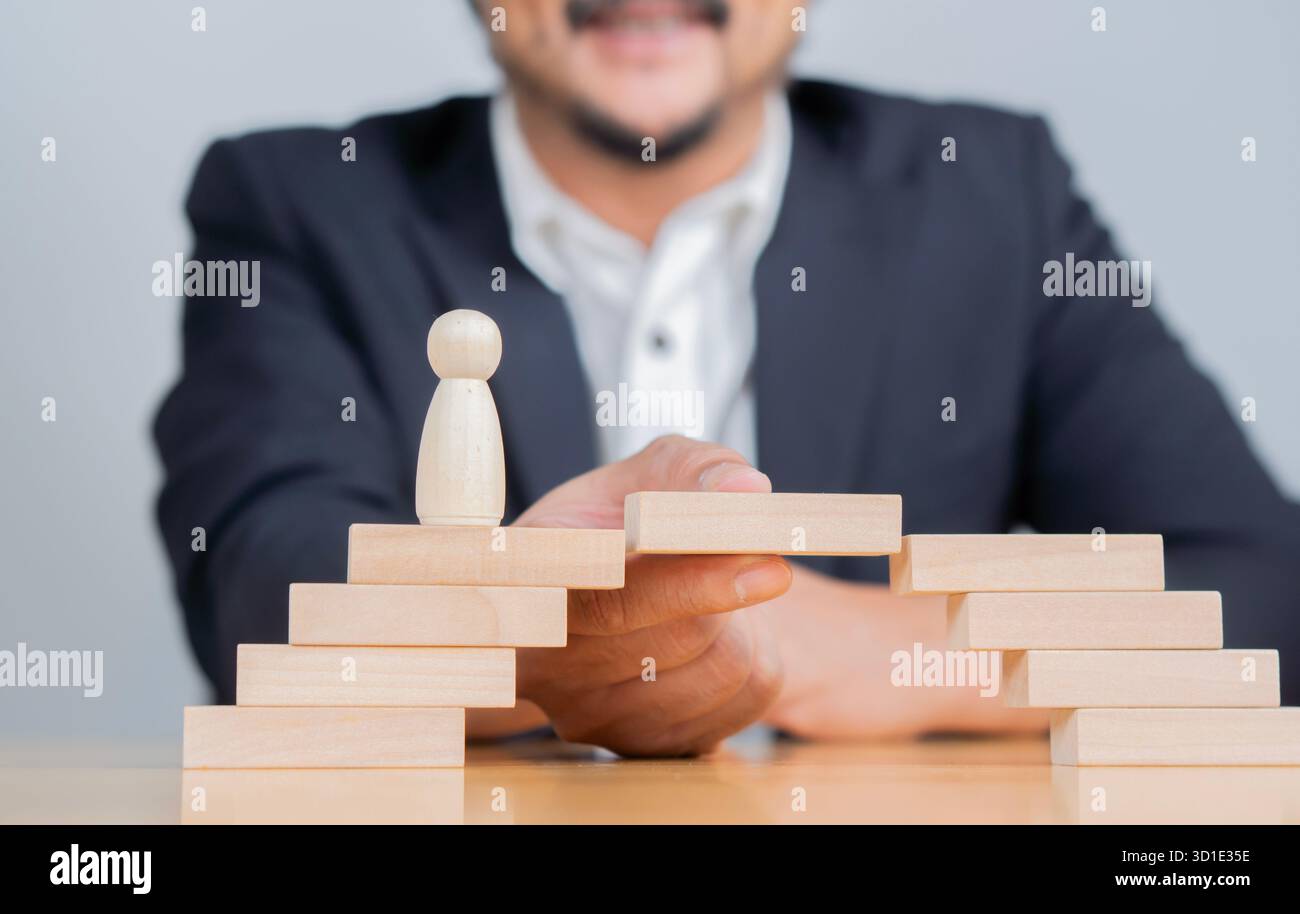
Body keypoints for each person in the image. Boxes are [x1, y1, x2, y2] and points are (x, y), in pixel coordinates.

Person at [154, 0, 1300, 756]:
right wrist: (532, 636)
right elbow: (261, 594)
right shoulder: (298, 202)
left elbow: (1263, 593)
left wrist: (860, 641)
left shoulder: (994, 195)